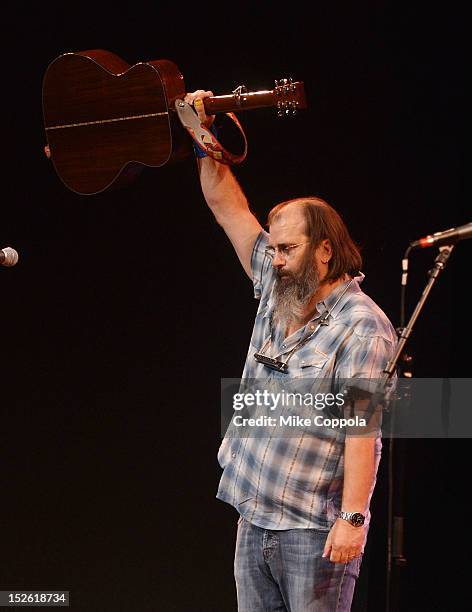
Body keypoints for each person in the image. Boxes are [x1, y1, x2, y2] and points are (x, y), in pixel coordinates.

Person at [184, 90, 397, 612]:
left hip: (311, 531)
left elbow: (363, 430)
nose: (274, 259)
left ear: (325, 250)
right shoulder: (276, 286)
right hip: (252, 515)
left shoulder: (362, 326)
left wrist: (353, 517)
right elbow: (226, 206)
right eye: (273, 248)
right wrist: (199, 135)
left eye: (287, 249)